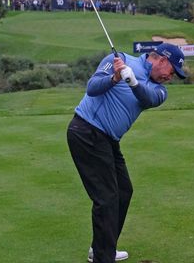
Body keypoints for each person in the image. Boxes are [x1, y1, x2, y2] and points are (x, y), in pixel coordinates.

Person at [67, 43, 187, 263]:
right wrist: (114, 78)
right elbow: (92, 87)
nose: (171, 77)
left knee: (124, 191)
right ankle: (104, 257)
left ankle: (102, 248)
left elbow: (147, 99)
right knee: (106, 198)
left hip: (109, 141)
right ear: (161, 60)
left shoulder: (161, 91)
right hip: (86, 132)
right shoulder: (120, 59)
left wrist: (132, 81)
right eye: (172, 71)